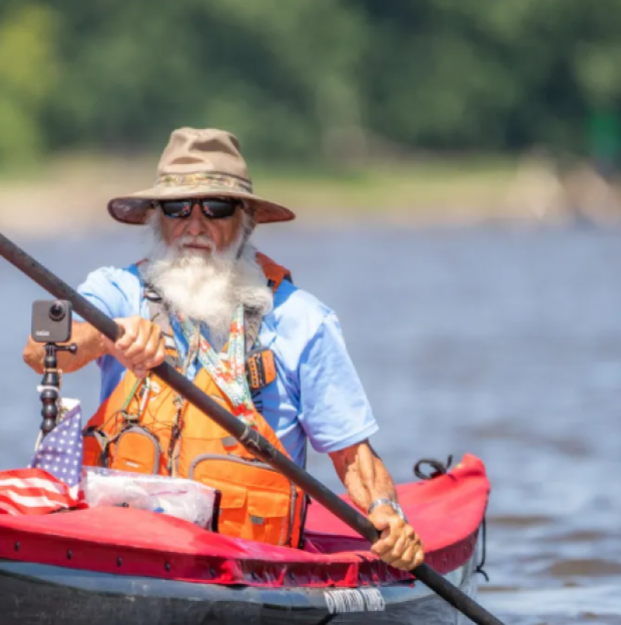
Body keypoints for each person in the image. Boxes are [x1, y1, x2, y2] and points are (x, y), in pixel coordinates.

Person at [24, 127, 423, 570]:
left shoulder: (302, 320)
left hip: (250, 563)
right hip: (123, 552)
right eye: (178, 208)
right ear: (156, 218)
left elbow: (353, 456)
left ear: (246, 220)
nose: (195, 225)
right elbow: (41, 352)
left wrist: (387, 513)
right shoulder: (116, 291)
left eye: (216, 207)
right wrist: (109, 335)